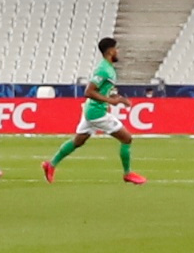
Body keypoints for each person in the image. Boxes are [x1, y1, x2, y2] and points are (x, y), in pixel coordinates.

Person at [41, 34, 142, 185]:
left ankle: (51, 164)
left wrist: (118, 98)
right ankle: (127, 174)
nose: (118, 52)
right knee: (127, 138)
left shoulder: (108, 69)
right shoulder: (103, 70)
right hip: (97, 113)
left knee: (78, 141)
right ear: (110, 51)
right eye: (116, 49)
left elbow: (103, 90)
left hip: (90, 110)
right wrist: (110, 101)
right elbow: (88, 91)